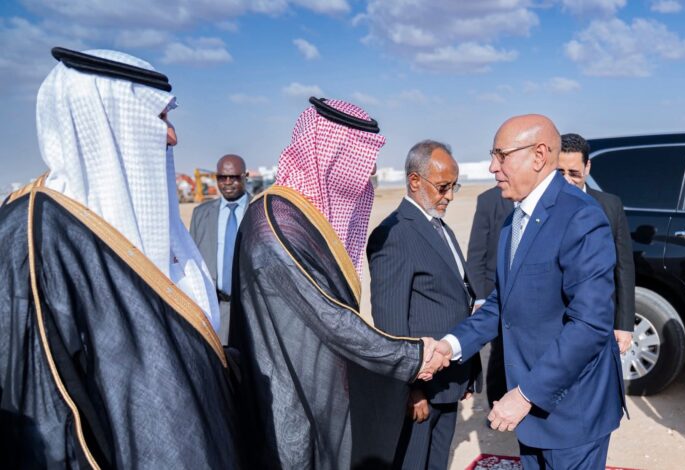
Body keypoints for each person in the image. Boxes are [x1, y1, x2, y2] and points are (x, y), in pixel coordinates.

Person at [0, 48, 241, 467]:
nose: (173, 137)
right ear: (107, 121)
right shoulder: (34, 237)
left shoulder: (143, 228)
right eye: (160, 117)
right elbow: (44, 420)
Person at [228, 97, 444, 469]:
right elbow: (331, 317)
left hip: (319, 393)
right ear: (333, 155)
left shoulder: (297, 216)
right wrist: (412, 355)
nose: (371, 169)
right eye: (362, 156)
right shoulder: (275, 224)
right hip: (290, 407)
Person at [434, 114, 625, 469]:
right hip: (532, 414)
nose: (492, 167)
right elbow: (501, 304)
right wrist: (450, 345)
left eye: (501, 155)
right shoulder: (514, 220)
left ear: (538, 156)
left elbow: (590, 325)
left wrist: (524, 395)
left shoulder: (581, 216)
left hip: (572, 414)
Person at [367, 140, 481, 470]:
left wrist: (468, 372)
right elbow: (390, 324)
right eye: (443, 187)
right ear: (415, 181)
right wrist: (411, 389)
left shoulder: (439, 227)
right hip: (422, 390)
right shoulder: (394, 234)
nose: (450, 196)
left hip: (449, 381)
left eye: (454, 186)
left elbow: (457, 298)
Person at [558, 133, 636, 354]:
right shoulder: (540, 208)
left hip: (599, 319)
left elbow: (624, 268)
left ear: (587, 167)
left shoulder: (610, 205)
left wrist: (624, 325)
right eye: (560, 172)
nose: (566, 180)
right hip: (555, 320)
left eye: (573, 173)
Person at [190, 154, 249, 343]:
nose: (228, 182)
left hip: (251, 312)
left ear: (245, 176)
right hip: (215, 309)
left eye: (234, 177)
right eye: (222, 177)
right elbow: (192, 262)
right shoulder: (200, 215)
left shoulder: (259, 211)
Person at [467, 186, 513, 406]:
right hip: (494, 294)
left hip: (524, 291)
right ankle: (496, 405)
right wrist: (480, 297)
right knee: (500, 352)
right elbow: (476, 253)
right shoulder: (488, 200)